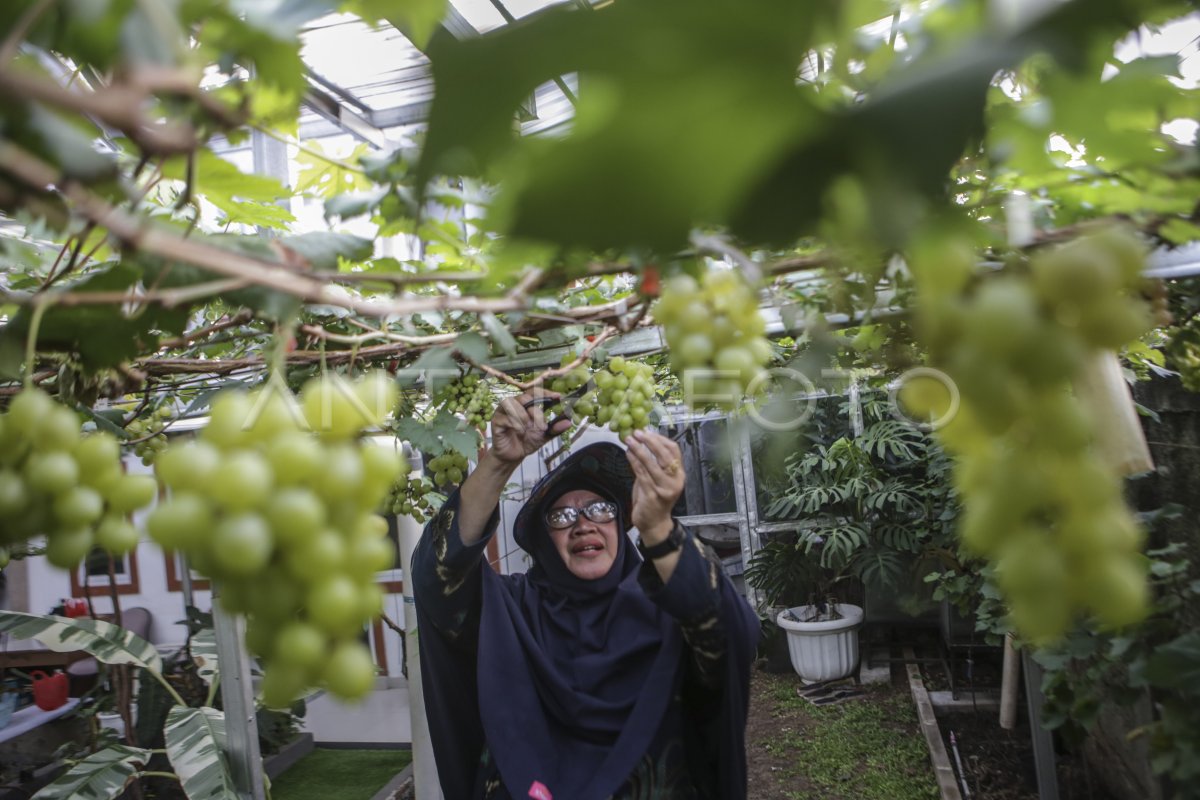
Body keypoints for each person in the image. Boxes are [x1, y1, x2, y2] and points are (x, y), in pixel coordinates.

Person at [411, 390, 760, 800]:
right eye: (561, 516)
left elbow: (734, 633)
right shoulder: (513, 614)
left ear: (621, 522)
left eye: (600, 509)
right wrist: (499, 463)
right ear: (543, 541)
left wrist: (660, 531)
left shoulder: (665, 607)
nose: (583, 525)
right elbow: (436, 578)